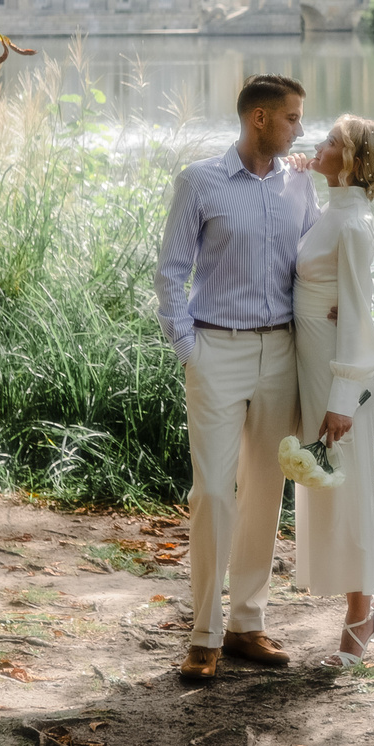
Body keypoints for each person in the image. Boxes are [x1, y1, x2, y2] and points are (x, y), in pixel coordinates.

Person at [155, 73, 318, 682]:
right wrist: (190, 348)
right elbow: (172, 271)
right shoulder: (200, 181)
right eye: (294, 117)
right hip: (215, 351)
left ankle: (248, 623)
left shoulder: (299, 181)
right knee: (213, 494)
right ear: (260, 120)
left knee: (264, 495)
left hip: (281, 353)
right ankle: (203, 634)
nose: (300, 128)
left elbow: (313, 261)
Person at [294, 115, 374, 665]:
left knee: (348, 491)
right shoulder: (333, 211)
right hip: (313, 366)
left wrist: (342, 400)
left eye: (331, 142)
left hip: (340, 380)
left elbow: (357, 315)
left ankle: (361, 616)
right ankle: (362, 605)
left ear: (352, 161)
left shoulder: (353, 225)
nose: (318, 144)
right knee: (326, 489)